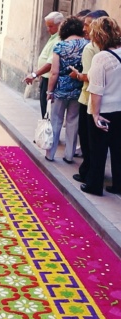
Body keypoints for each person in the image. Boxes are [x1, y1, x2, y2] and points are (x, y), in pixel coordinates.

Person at [80, 17, 121, 196]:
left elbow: (96, 88)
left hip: (103, 110)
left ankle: (94, 185)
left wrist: (95, 115)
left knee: (98, 150)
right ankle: (118, 185)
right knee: (118, 150)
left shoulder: (101, 58)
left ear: (97, 35)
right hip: (120, 109)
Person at [70, 10, 109, 184]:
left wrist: (77, 75)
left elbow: (88, 76)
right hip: (109, 99)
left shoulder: (90, 48)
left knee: (88, 141)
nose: (83, 28)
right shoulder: (113, 46)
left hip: (89, 99)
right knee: (101, 143)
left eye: (87, 24)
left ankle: (89, 174)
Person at [45, 16, 88, 163]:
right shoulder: (86, 44)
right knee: (73, 121)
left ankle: (50, 153)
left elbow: (54, 72)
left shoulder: (60, 46)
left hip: (61, 88)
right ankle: (69, 155)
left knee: (55, 121)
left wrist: (49, 91)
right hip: (78, 87)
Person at [24, 12, 64, 118]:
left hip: (50, 80)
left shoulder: (58, 40)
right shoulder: (54, 37)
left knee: (48, 112)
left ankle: (48, 133)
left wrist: (34, 75)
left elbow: (51, 64)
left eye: (50, 26)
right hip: (45, 78)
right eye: (47, 26)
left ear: (59, 24)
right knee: (45, 109)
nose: (48, 29)